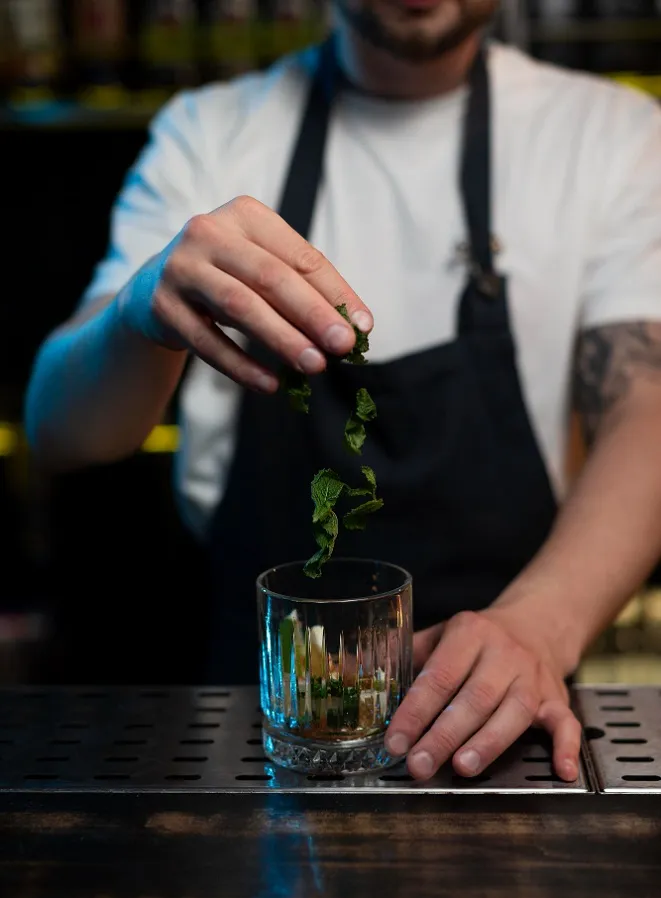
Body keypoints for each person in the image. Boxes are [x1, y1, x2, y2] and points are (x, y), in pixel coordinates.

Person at [24, 0, 661, 784]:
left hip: (509, 715)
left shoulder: (608, 134)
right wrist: (134, 312)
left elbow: (646, 407)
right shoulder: (211, 131)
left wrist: (539, 626)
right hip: (255, 722)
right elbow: (60, 431)